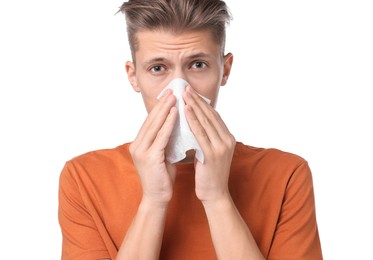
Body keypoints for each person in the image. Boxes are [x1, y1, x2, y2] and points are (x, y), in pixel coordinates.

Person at [58, 0, 323, 259]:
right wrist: (153, 200)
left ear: (225, 70)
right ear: (133, 75)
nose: (180, 89)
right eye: (158, 68)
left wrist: (217, 197)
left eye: (198, 64)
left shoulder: (286, 175)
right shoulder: (84, 178)